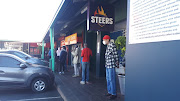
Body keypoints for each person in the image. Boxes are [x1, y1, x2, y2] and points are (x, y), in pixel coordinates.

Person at [103, 35, 119, 100]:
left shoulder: (112, 45)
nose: (103, 41)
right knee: (108, 79)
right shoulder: (107, 46)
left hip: (111, 65)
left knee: (112, 79)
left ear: (107, 40)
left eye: (104, 40)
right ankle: (109, 91)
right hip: (107, 65)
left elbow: (115, 54)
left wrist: (117, 62)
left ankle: (114, 93)